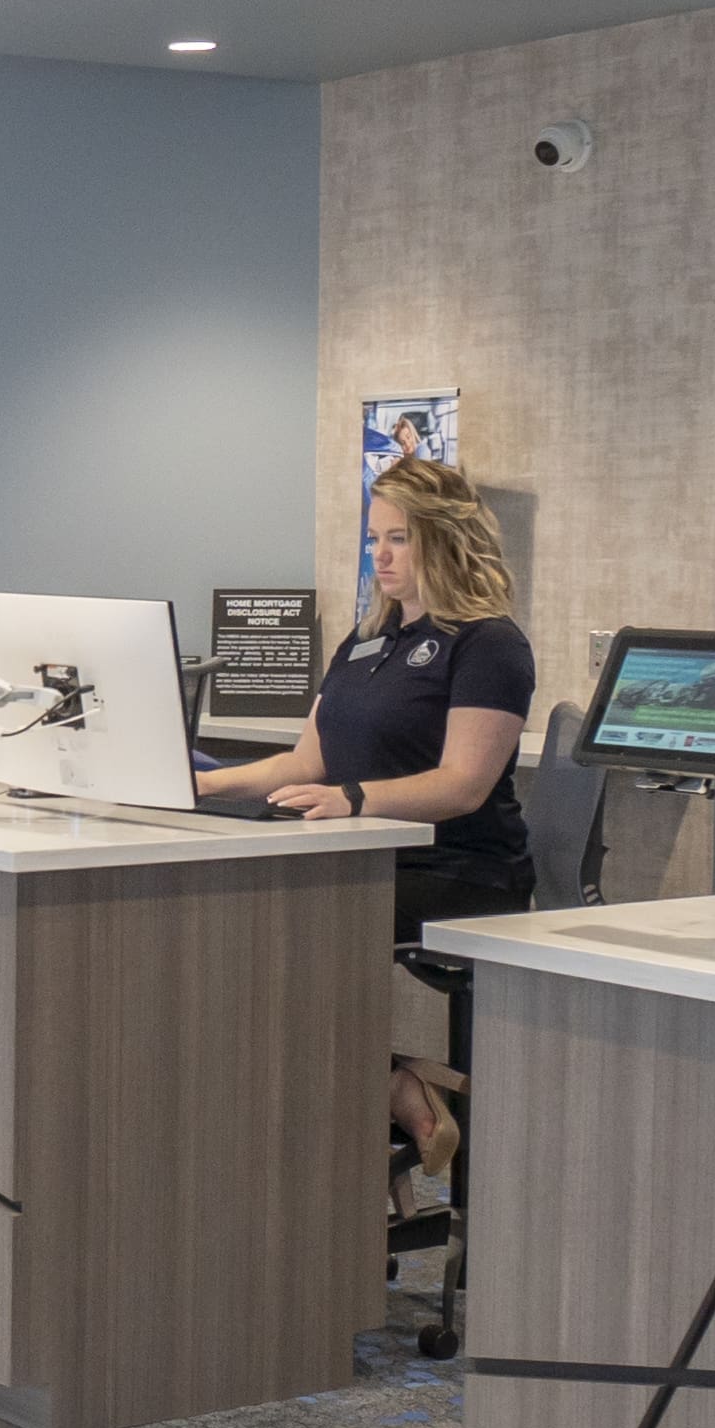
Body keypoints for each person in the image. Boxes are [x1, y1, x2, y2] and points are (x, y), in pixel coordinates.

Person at [197, 449, 533, 1170]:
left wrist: (354, 800)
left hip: (459, 871)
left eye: (399, 538)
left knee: (284, 928)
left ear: (444, 539)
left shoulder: (488, 644)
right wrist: (202, 784)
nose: (379, 555)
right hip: (358, 857)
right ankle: (390, 1086)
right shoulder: (366, 639)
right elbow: (304, 761)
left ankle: (381, 1095)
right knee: (228, 921)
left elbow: (462, 784)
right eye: (373, 538)